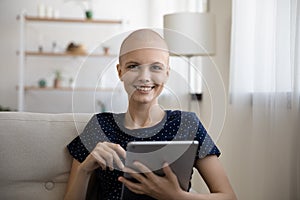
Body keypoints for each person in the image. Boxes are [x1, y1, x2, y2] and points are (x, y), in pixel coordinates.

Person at [64, 29, 237, 200]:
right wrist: (84, 170)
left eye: (156, 67)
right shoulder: (100, 126)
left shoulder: (187, 124)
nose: (144, 77)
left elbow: (229, 197)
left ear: (166, 73)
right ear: (120, 72)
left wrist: (176, 197)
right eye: (133, 66)